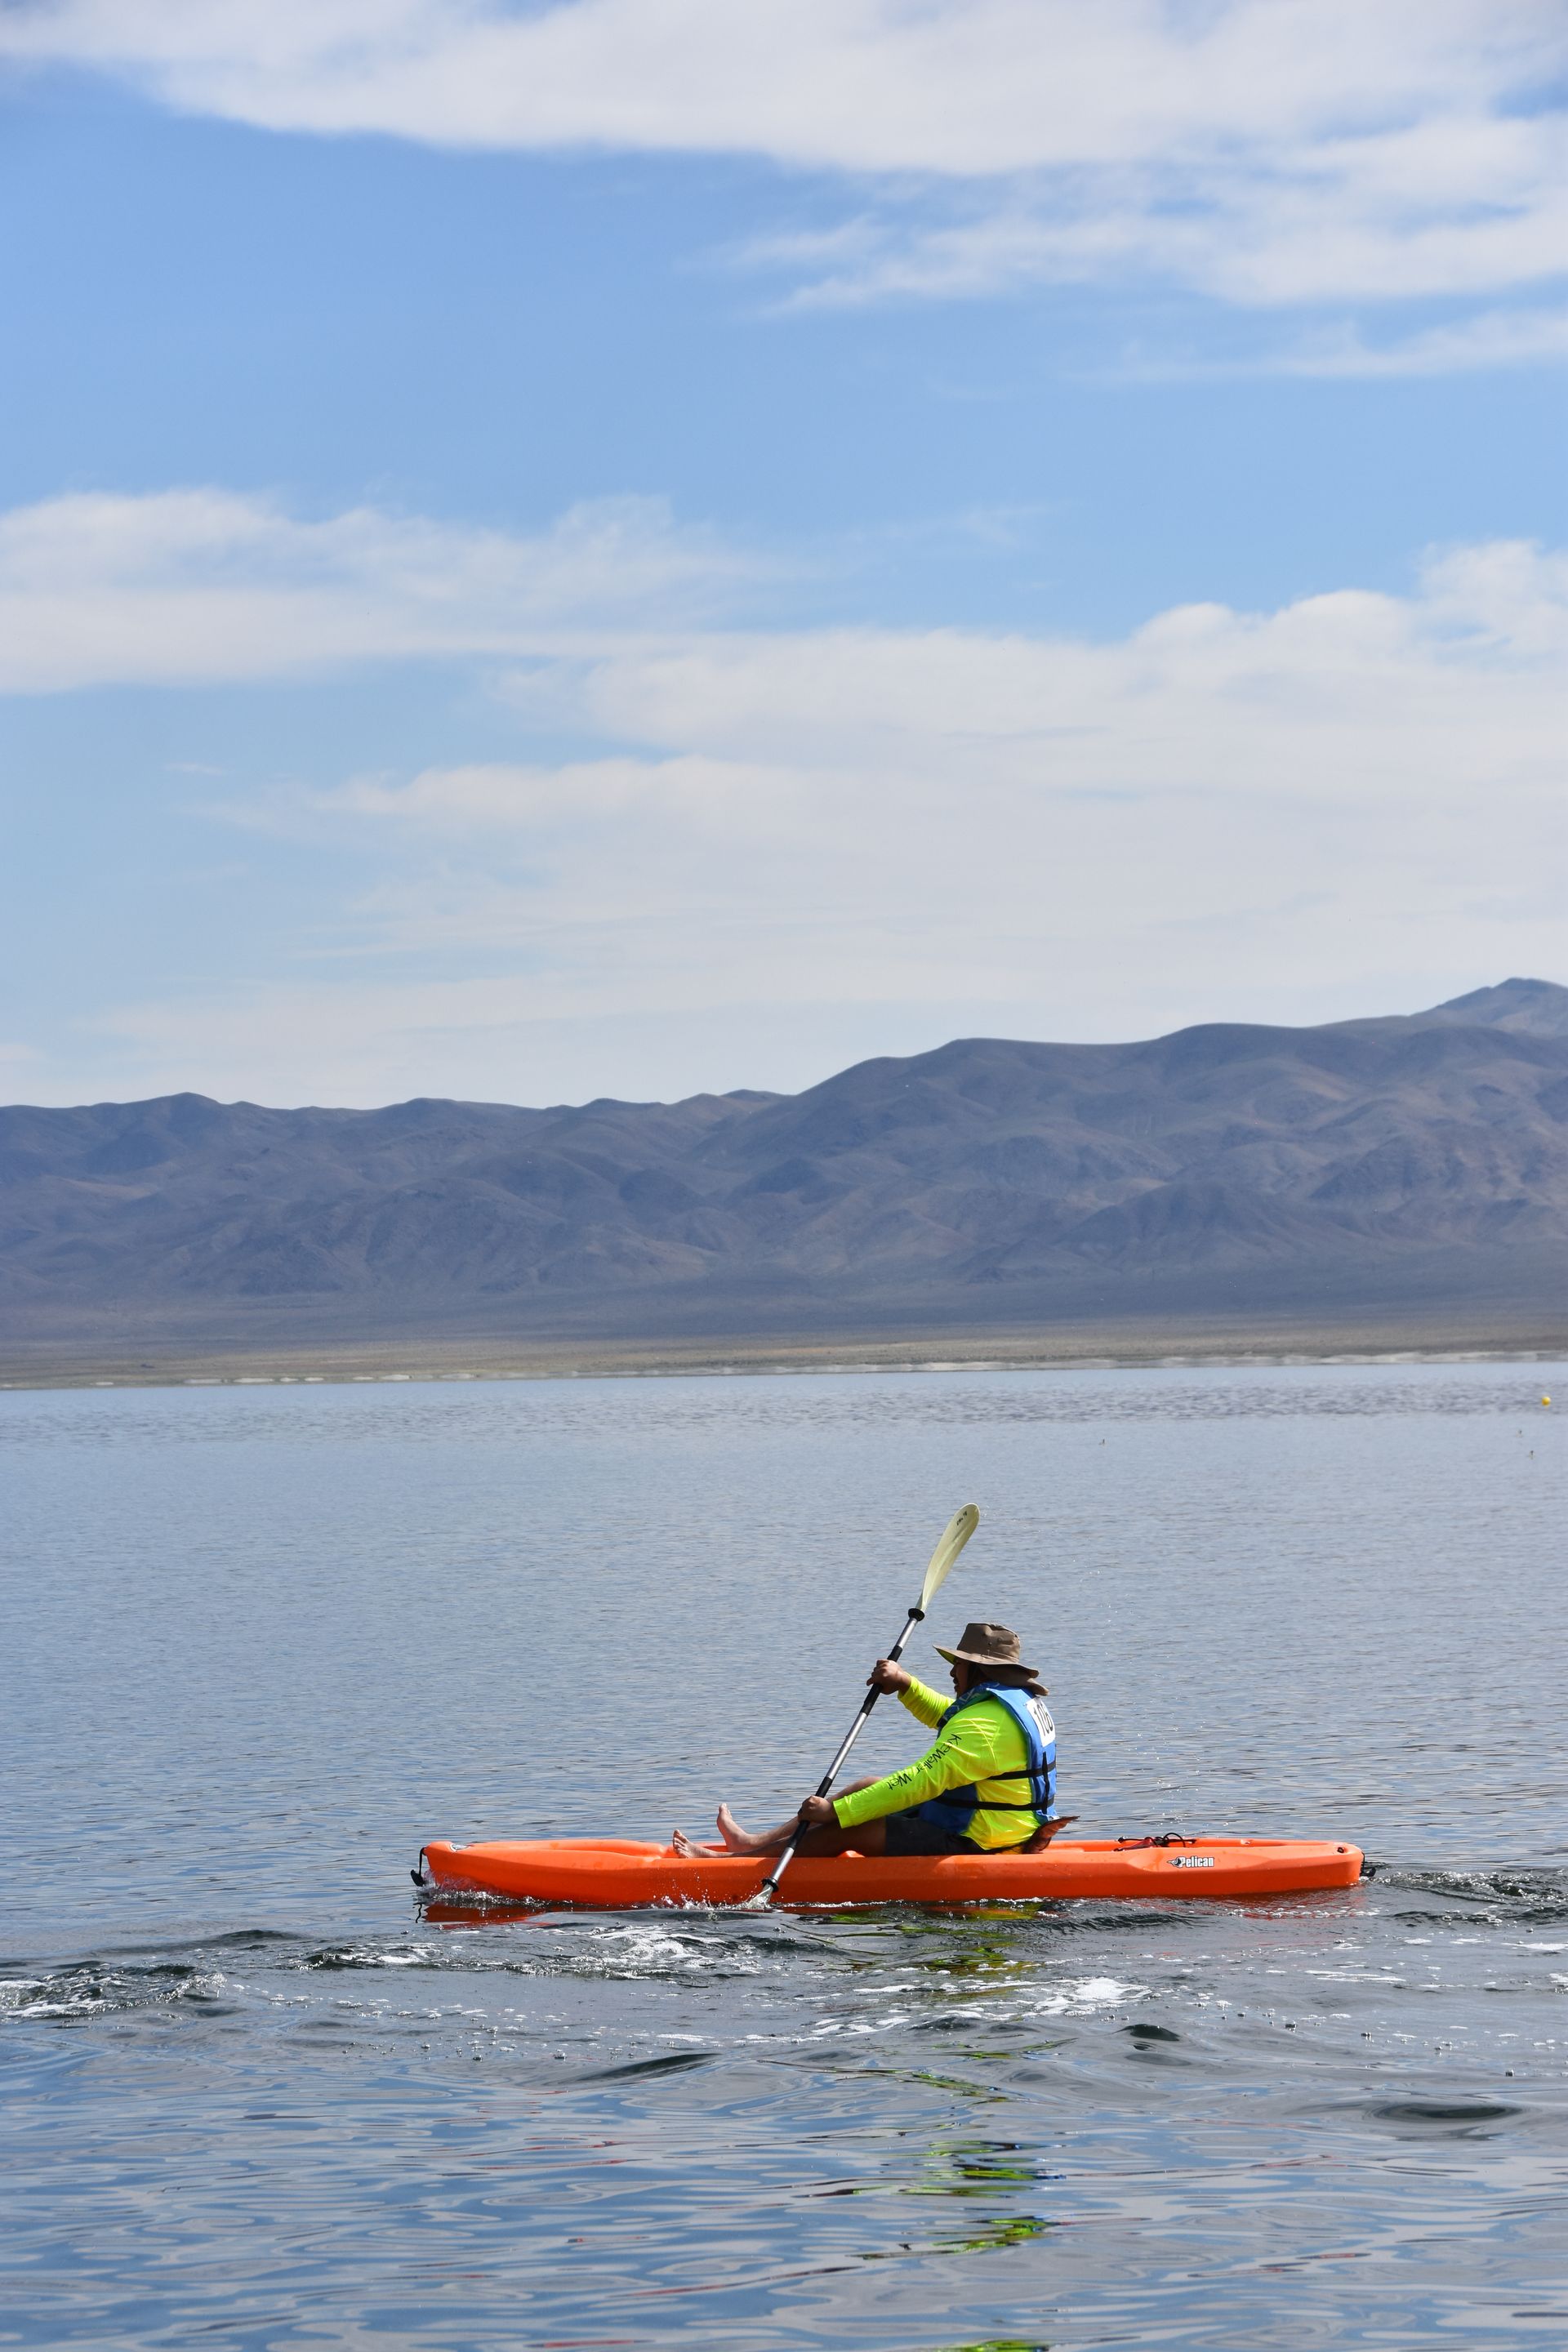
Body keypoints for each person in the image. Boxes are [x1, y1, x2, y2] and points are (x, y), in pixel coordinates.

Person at [672, 1620, 1067, 1859]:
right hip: (993, 1825)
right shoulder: (1006, 1705)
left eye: (958, 1665)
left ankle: (729, 1866)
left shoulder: (984, 1725)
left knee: (853, 1828)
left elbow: (919, 1782)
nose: (952, 1673)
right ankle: (751, 1844)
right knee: (865, 1788)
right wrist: (906, 1684)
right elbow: (951, 1717)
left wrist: (835, 1814)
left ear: (978, 1671)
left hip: (981, 1843)